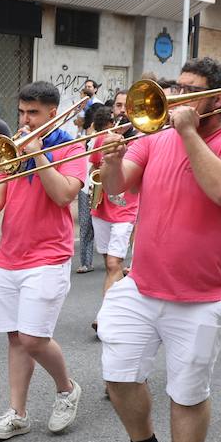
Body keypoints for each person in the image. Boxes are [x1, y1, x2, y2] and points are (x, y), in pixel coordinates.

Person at [94, 57, 221, 442]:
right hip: (144, 283)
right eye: (177, 87)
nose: (178, 96)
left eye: (192, 90)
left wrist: (189, 133)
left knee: (187, 391)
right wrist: (110, 161)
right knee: (117, 371)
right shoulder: (154, 138)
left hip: (205, 294)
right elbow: (118, 190)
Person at [0, 81, 84, 441]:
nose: (24, 120)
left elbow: (64, 194)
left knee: (34, 338)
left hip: (49, 255)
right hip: (10, 255)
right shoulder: (13, 148)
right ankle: (17, 413)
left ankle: (67, 389)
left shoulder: (71, 146)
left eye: (32, 113)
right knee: (16, 339)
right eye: (21, 112)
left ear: (53, 113)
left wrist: (38, 155)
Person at [87, 107, 139, 331]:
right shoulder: (102, 140)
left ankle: (105, 316)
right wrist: (92, 185)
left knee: (113, 263)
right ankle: (126, 301)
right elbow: (93, 165)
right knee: (110, 265)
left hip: (126, 211)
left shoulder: (139, 144)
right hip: (101, 208)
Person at [74, 100, 100, 274]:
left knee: (101, 223)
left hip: (97, 185)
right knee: (86, 225)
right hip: (86, 186)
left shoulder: (101, 137)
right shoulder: (83, 137)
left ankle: (113, 253)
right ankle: (86, 261)